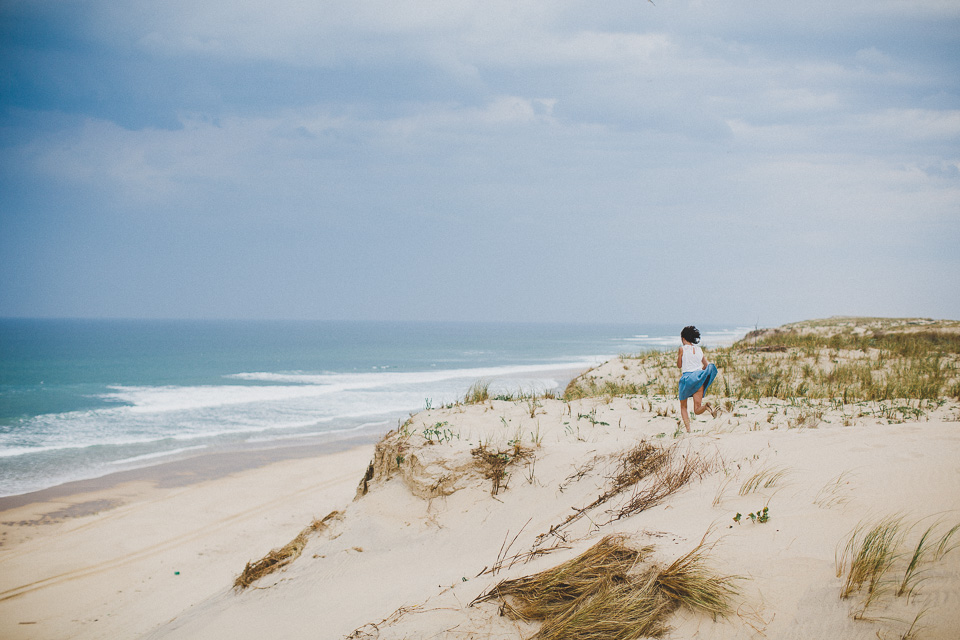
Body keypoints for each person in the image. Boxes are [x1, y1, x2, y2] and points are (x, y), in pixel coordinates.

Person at [677, 325, 720, 432]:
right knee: (697, 409)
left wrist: (679, 356)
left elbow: (679, 365)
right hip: (698, 378)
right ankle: (705, 407)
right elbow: (705, 365)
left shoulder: (682, 349)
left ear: (683, 338)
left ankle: (688, 430)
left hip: (687, 379)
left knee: (683, 407)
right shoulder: (699, 349)